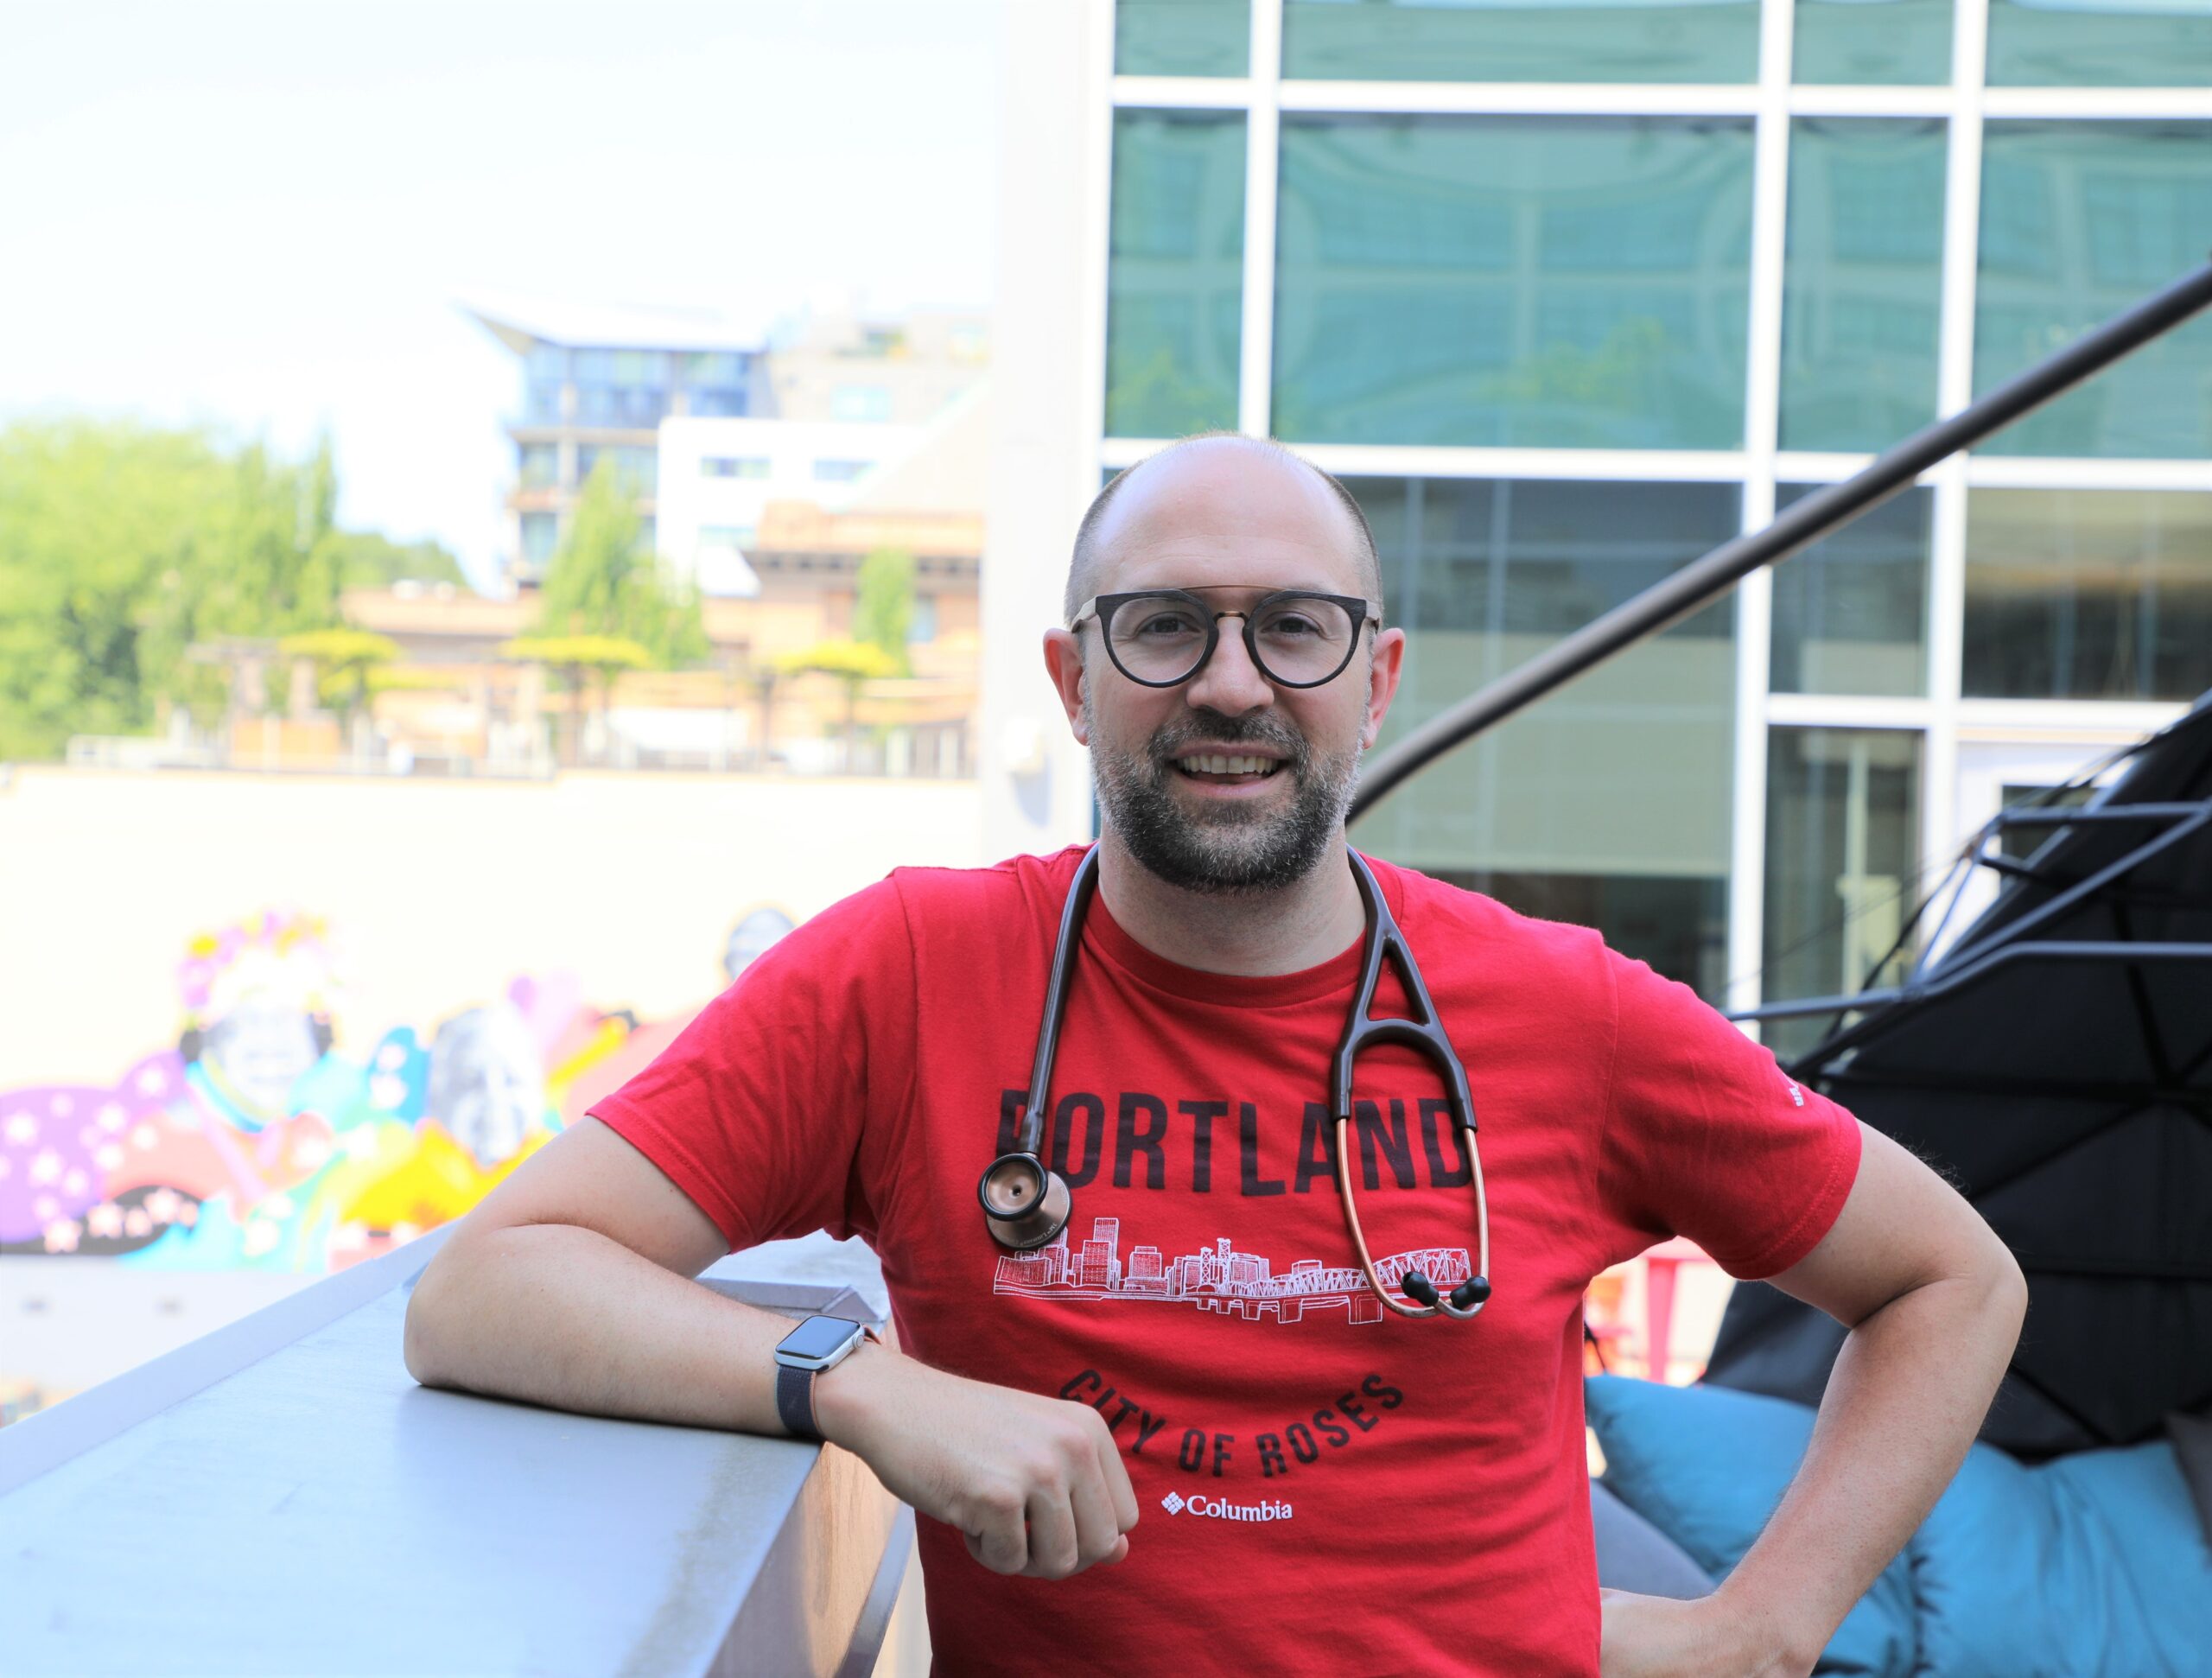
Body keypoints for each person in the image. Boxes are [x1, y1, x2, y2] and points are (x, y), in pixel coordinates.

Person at [403, 435, 2026, 1677]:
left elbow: (1952, 1279)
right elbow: (486, 1284)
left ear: (1376, 681)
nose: (1233, 682)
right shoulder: (909, 975)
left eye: (1296, 630)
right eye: (1165, 626)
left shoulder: (1564, 1010)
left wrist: (1767, 1626)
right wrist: (865, 1390)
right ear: (1074, 678)